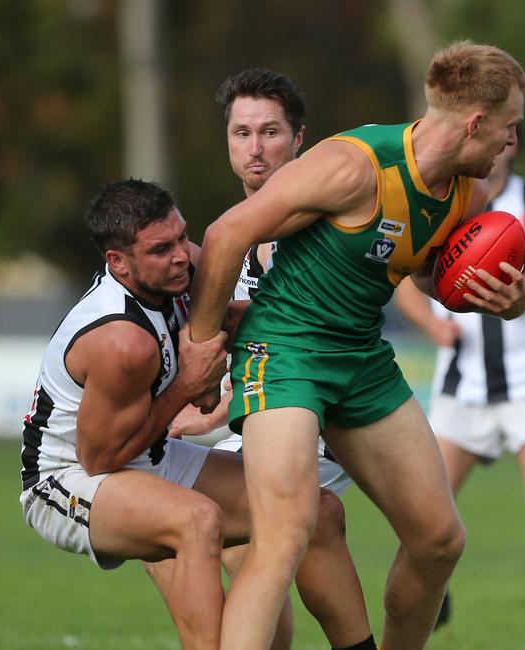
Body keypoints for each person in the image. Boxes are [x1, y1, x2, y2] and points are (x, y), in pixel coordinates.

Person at [190, 40, 525, 650]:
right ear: (475, 123)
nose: (511, 143)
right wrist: (199, 348)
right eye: (508, 128)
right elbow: (224, 236)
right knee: (286, 534)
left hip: (361, 357)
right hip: (286, 349)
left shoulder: (466, 194)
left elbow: (433, 275)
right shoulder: (355, 164)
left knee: (438, 541)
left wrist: (507, 300)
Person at [18, 179, 374, 650]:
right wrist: (187, 385)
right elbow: (101, 458)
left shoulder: (187, 269)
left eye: (182, 237)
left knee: (316, 510)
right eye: (160, 249)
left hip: (149, 455)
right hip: (67, 479)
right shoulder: (121, 342)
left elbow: (242, 316)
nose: (182, 255)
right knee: (197, 521)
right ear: (118, 262)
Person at [169, 68, 363, 650]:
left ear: (299, 138)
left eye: (270, 132)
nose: (255, 149)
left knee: (271, 535)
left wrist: (215, 408)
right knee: (251, 545)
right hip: (266, 406)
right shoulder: (241, 230)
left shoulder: (320, 220)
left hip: (316, 411)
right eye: (241, 133)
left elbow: (305, 338)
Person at [395, 135, 525, 650]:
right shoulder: (446, 201)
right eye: (488, 139)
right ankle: (440, 596)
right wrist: (430, 324)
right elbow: (402, 281)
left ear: (516, 146)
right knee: (424, 508)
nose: (496, 148)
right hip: (462, 382)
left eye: (507, 139)